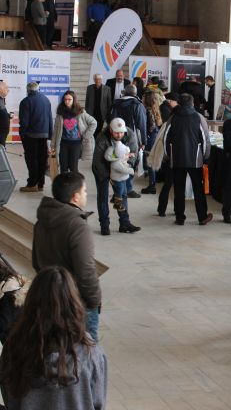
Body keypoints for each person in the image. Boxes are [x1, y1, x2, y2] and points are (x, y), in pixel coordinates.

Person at [0, 266, 107, 409]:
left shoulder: (14, 348)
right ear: (74, 304)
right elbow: (98, 403)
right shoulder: (92, 353)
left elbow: (11, 400)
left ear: (31, 302)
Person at [31, 172, 102, 340]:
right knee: (85, 356)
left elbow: (36, 262)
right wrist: (94, 300)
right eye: (84, 191)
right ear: (75, 197)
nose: (86, 194)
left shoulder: (41, 222)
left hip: (50, 298)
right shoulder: (77, 226)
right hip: (75, 302)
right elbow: (86, 271)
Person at [163, 93, 212, 225]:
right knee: (198, 189)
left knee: (179, 188)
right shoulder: (198, 117)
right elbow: (205, 140)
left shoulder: (173, 118)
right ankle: (202, 217)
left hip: (176, 159)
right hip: (195, 160)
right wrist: (206, 157)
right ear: (192, 103)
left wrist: (168, 156)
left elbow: (165, 138)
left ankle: (180, 217)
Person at [92, 117, 141, 235]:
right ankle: (104, 225)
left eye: (121, 132)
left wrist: (124, 169)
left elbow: (133, 155)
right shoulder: (102, 137)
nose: (119, 135)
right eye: (116, 132)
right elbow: (98, 160)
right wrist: (108, 177)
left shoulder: (130, 135)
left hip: (120, 170)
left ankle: (124, 223)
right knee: (103, 196)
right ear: (110, 130)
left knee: (122, 196)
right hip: (101, 169)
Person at [109, 84, 147, 198]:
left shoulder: (115, 103)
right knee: (131, 161)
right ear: (135, 94)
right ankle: (128, 188)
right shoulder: (137, 105)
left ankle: (118, 189)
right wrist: (144, 141)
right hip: (132, 138)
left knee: (116, 160)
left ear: (124, 92)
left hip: (115, 136)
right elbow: (141, 124)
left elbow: (109, 119)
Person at [52, 90, 97, 174]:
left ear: (74, 100)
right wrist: (52, 145)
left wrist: (86, 136)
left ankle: (75, 186)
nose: (67, 102)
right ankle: (64, 186)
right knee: (63, 167)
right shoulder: (60, 113)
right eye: (65, 99)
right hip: (63, 143)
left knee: (73, 168)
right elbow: (56, 130)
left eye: (69, 99)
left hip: (76, 143)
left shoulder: (81, 112)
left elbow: (93, 123)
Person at [18, 82, 52, 192]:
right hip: (44, 135)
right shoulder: (46, 100)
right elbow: (50, 118)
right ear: (38, 89)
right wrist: (50, 135)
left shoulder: (25, 101)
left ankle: (32, 184)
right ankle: (40, 184)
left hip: (31, 136)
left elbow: (24, 122)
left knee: (32, 160)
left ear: (28, 90)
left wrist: (22, 135)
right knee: (42, 160)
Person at [141, 90, 162, 194]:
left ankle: (152, 185)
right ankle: (152, 183)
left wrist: (146, 136)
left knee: (149, 160)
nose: (142, 99)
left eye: (144, 97)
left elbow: (151, 125)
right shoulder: (154, 109)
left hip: (151, 137)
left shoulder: (148, 110)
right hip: (155, 135)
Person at [104, 139, 134, 212]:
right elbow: (124, 170)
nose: (128, 156)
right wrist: (131, 171)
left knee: (123, 192)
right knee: (119, 192)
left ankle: (118, 199)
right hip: (118, 180)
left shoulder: (121, 160)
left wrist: (130, 155)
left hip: (122, 179)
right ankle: (117, 204)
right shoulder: (116, 163)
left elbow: (125, 162)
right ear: (121, 155)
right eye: (126, 154)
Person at [0, 81, 11, 147]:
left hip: (3, 133)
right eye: (6, 88)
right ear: (0, 89)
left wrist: (7, 116)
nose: (8, 90)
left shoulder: (2, 99)